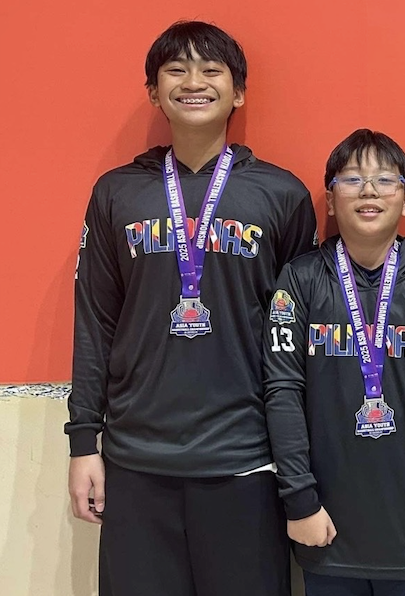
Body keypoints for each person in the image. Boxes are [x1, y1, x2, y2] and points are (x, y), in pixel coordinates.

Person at [65, 20, 317, 596]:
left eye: (211, 70)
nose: (193, 82)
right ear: (154, 92)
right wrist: (84, 444)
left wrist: (298, 462)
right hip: (135, 461)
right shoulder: (116, 192)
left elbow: (297, 337)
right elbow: (96, 321)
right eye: (176, 70)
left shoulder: (282, 194)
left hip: (247, 460)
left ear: (239, 91)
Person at [263, 129, 405, 596]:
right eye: (352, 179)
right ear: (331, 201)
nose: (370, 190)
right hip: (324, 526)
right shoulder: (298, 280)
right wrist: (299, 500)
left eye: (384, 179)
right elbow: (282, 392)